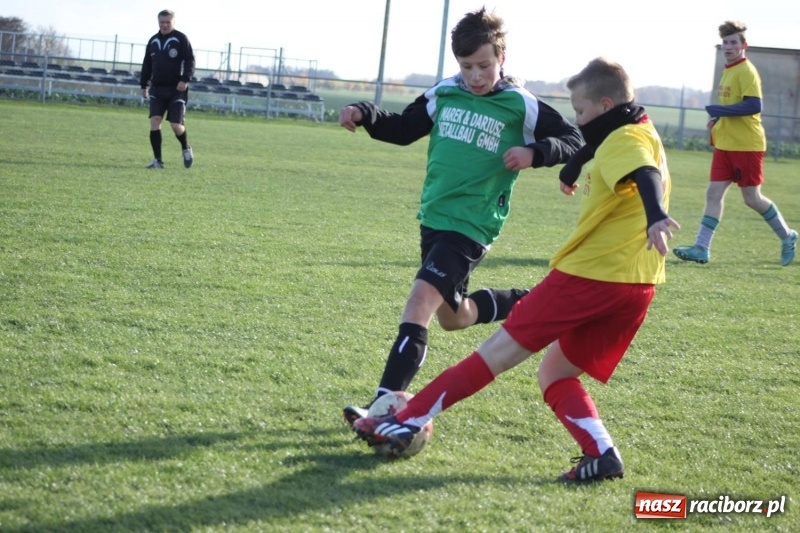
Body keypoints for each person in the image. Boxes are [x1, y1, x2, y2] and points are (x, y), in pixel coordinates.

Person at [353, 57, 681, 483]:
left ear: (604, 104)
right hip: (637, 284)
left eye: (581, 112)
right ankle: (601, 453)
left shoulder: (626, 141)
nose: (577, 120)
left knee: (494, 355)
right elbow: (611, 146)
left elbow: (644, 172)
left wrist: (656, 215)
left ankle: (406, 419)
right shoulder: (639, 127)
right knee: (555, 372)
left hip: (590, 276)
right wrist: (574, 164)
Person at [338, 8, 582, 427]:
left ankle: (383, 407)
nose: (475, 76)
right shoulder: (444, 92)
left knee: (419, 303)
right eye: (467, 66)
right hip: (434, 216)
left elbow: (573, 139)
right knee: (457, 316)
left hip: (472, 224)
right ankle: (529, 301)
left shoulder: (520, 103)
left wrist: (534, 153)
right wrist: (365, 112)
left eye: (484, 65)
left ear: (501, 58)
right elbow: (402, 128)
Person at [673, 20, 796, 266]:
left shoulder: (746, 71)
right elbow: (732, 106)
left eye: (733, 43)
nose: (728, 47)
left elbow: (754, 105)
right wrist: (718, 117)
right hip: (725, 144)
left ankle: (788, 235)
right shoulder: (727, 70)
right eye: (725, 43)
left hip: (746, 145)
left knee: (751, 198)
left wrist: (716, 109)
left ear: (743, 45)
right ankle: (701, 247)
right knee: (713, 193)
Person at [140, 9, 195, 169]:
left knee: (176, 126)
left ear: (173, 22)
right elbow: (147, 65)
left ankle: (185, 148)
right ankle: (158, 161)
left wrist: (185, 79)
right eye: (161, 22)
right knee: (155, 121)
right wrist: (144, 84)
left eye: (167, 22)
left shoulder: (181, 39)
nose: (164, 25)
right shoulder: (153, 41)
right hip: (157, 89)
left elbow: (190, 60)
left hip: (176, 90)